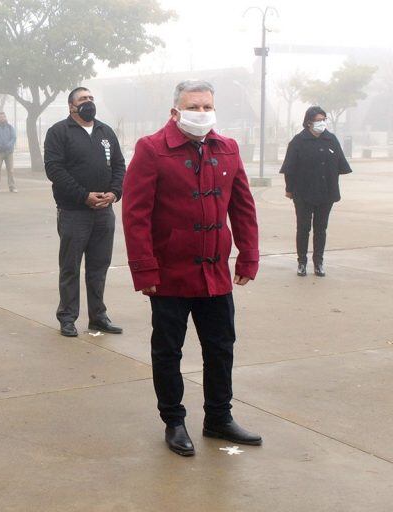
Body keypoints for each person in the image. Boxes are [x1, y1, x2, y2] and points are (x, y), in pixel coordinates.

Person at [122, 80, 261, 457]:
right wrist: (145, 270)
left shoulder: (227, 148)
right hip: (170, 275)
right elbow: (136, 215)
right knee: (168, 351)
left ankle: (219, 417)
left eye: (206, 106)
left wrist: (249, 255)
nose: (201, 113)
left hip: (215, 273)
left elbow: (243, 207)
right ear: (175, 111)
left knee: (221, 348)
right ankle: (174, 420)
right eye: (193, 106)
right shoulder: (151, 150)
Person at [44, 87, 125, 338]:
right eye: (83, 99)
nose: (88, 102)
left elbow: (120, 165)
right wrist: (83, 196)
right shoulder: (59, 132)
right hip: (74, 212)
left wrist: (114, 192)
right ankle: (67, 317)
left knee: (99, 266)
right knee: (70, 267)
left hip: (104, 212)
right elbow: (54, 170)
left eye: (91, 98)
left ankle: (98, 317)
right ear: (71, 106)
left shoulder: (105, 131)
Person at [280, 106, 351, 277]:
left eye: (323, 119)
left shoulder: (331, 140)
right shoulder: (298, 141)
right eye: (318, 120)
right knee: (303, 228)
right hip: (303, 193)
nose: (322, 123)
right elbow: (290, 168)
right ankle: (302, 262)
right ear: (309, 122)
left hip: (326, 193)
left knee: (321, 228)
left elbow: (340, 165)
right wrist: (289, 189)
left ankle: (318, 262)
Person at [0, 112, 17, 193]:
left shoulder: (10, 127)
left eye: (3, 117)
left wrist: (8, 145)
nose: (1, 118)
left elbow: (14, 137)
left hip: (9, 152)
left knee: (11, 170)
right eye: (0, 117)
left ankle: (12, 187)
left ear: (5, 118)